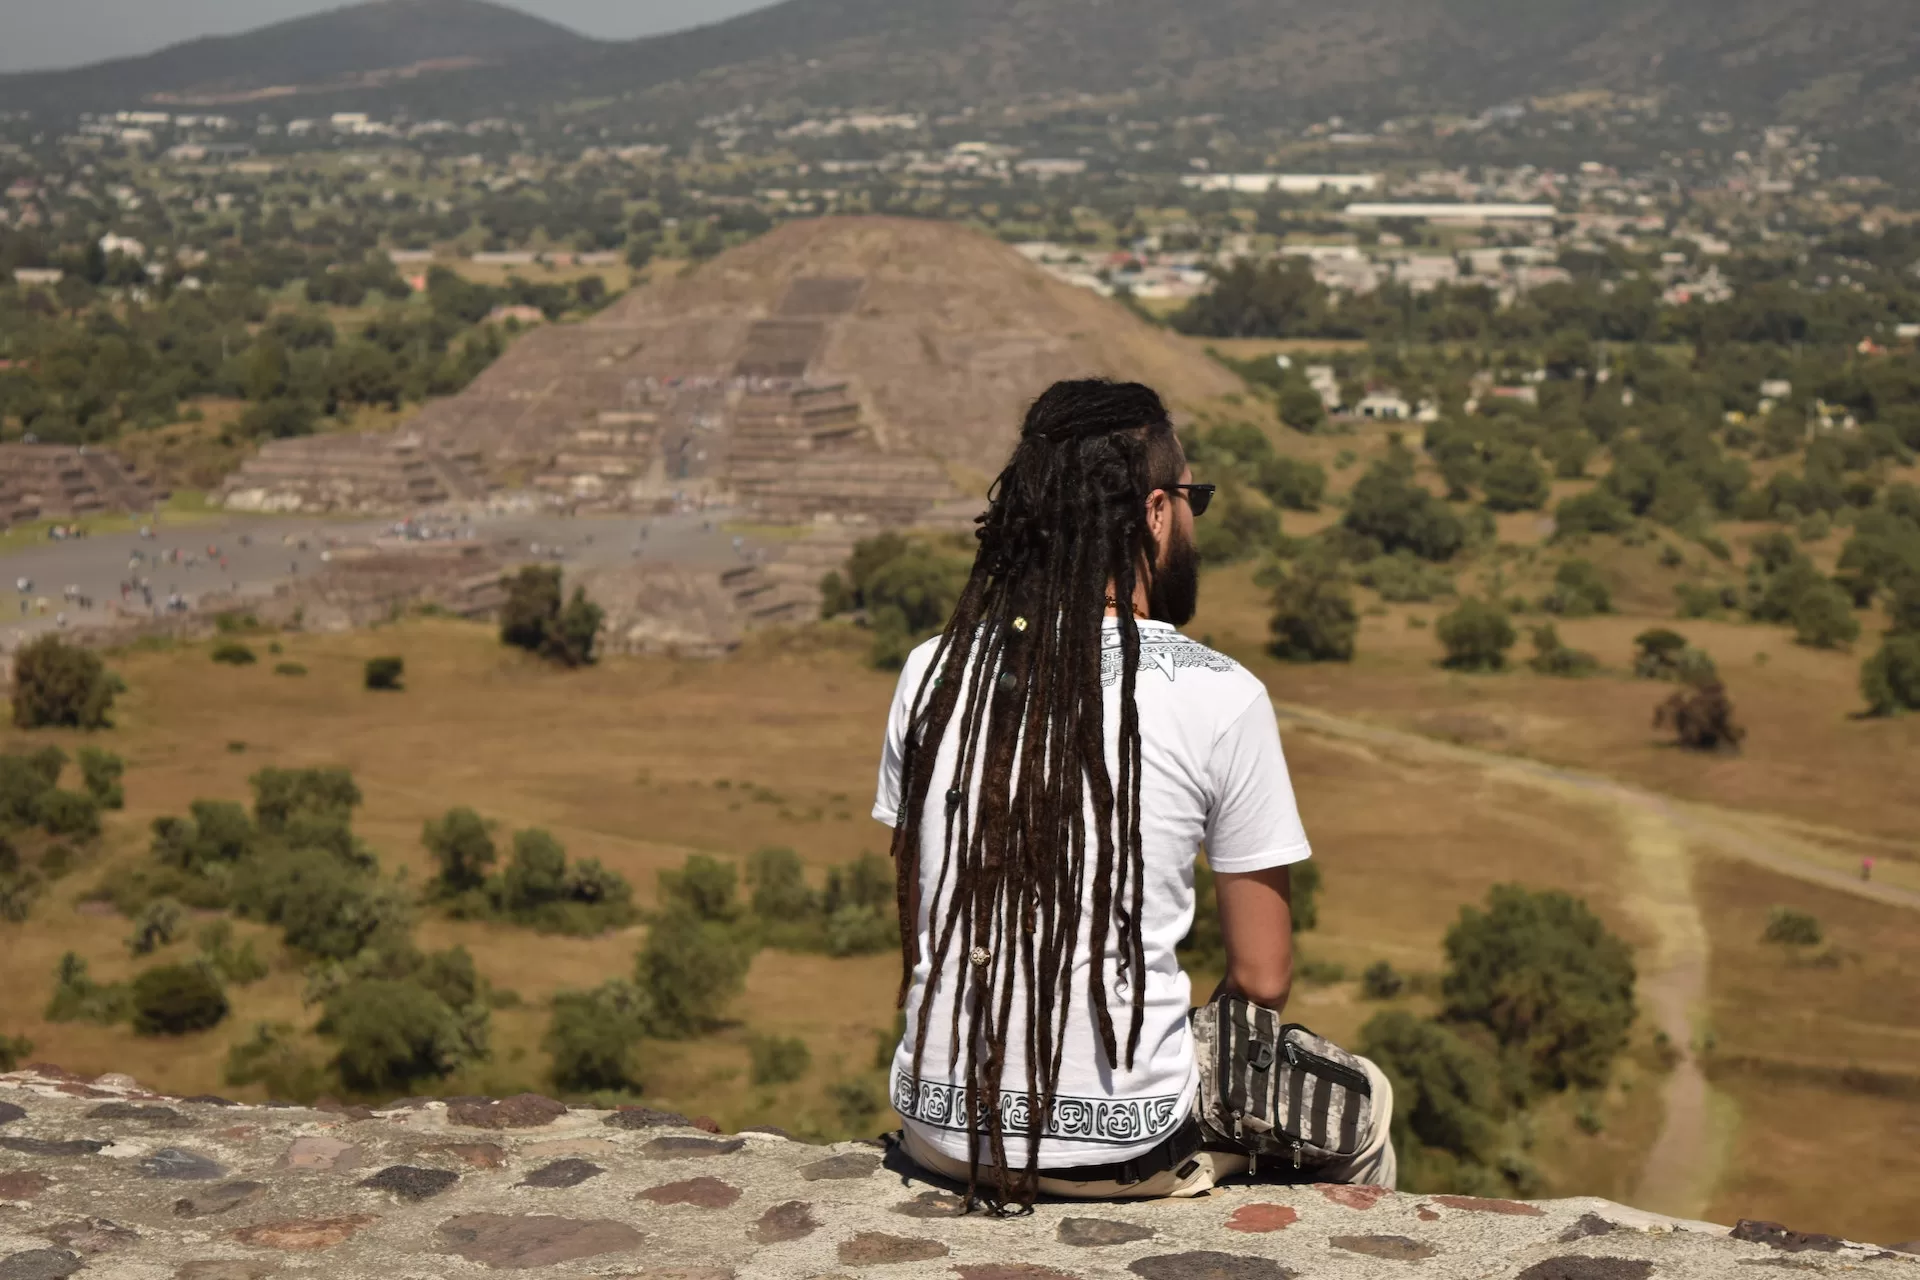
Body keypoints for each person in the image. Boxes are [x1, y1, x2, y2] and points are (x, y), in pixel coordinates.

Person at [873, 379, 1395, 1209]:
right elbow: (1261, 980)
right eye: (1193, 500)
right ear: (1155, 511)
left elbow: (924, 889)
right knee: (1363, 1107)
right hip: (1125, 1145)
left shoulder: (931, 670)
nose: (1193, 521)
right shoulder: (1220, 693)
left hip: (938, 1129)